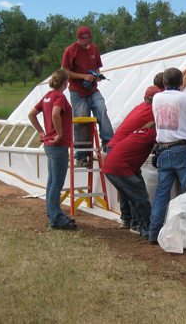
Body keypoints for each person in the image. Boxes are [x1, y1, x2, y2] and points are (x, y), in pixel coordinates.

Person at [148, 67, 186, 245]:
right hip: (182, 149)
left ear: (164, 83)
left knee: (162, 194)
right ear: (181, 82)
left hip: (164, 150)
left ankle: (153, 232)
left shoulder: (157, 98)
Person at [106, 85, 160, 231]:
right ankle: (142, 226)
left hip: (115, 150)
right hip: (120, 155)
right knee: (137, 194)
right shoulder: (154, 113)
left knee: (130, 191)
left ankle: (129, 220)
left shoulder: (139, 107)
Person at [27, 70, 77, 230]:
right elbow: (56, 114)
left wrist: (42, 132)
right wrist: (59, 133)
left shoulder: (47, 96)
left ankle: (54, 214)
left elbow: (31, 114)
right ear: (65, 83)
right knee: (57, 183)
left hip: (49, 144)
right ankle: (56, 219)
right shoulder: (59, 97)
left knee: (51, 182)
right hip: (58, 145)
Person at [62, 26, 114, 166]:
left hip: (92, 89)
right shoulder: (70, 51)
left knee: (101, 109)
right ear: (78, 38)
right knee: (82, 120)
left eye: (88, 39)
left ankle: (109, 143)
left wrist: (96, 75)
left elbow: (97, 67)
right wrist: (83, 76)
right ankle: (81, 156)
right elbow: (65, 71)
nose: (86, 43)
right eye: (83, 40)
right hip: (77, 91)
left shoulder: (94, 49)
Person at [102, 123, 157, 240]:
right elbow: (171, 138)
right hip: (121, 168)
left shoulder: (138, 132)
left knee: (133, 198)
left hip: (110, 167)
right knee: (141, 199)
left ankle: (139, 226)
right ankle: (149, 230)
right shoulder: (151, 134)